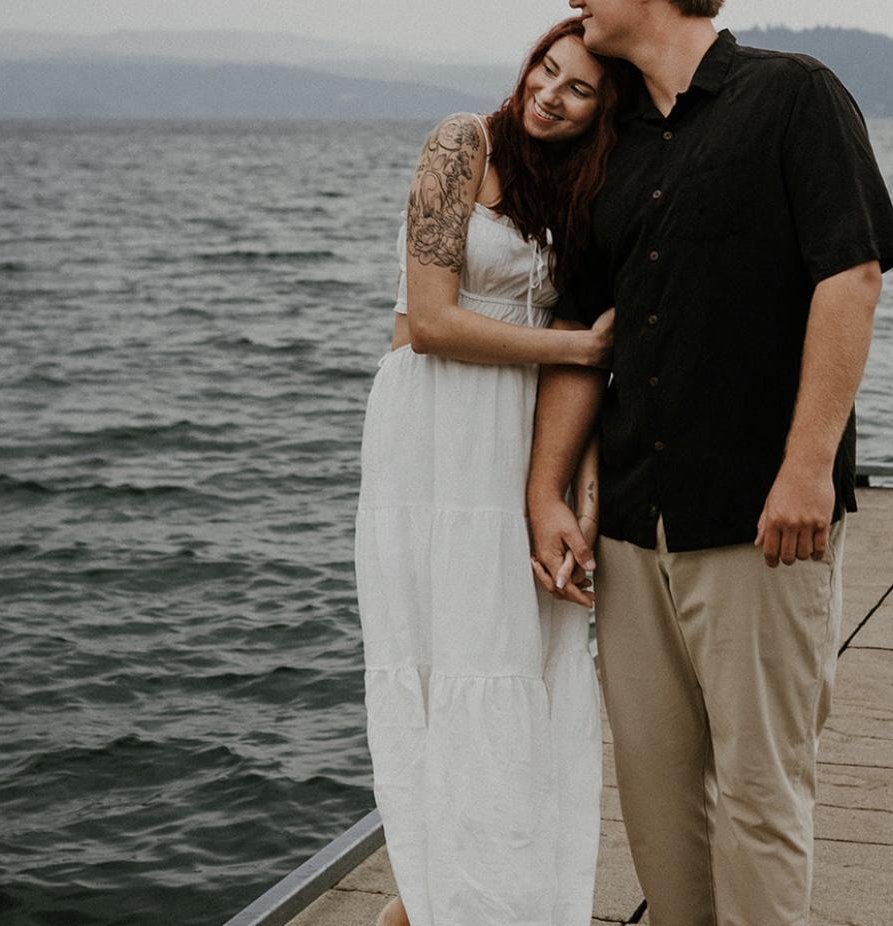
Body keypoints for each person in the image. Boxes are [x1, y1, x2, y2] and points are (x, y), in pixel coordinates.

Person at [528, 2, 893, 925]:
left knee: (761, 795)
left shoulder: (794, 95)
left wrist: (807, 468)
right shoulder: (614, 144)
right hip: (632, 526)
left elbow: (851, 274)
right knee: (654, 801)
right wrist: (544, 493)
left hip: (760, 519)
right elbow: (579, 329)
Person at [355, 18, 635, 926]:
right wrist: (574, 348)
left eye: (578, 88)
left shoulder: (583, 186)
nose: (550, 93)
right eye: (546, 69)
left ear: (604, 111)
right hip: (434, 429)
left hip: (521, 435)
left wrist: (580, 481)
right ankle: (436, 896)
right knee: (447, 657)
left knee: (520, 657)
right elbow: (432, 322)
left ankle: (469, 901)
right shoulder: (461, 143)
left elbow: (580, 339)